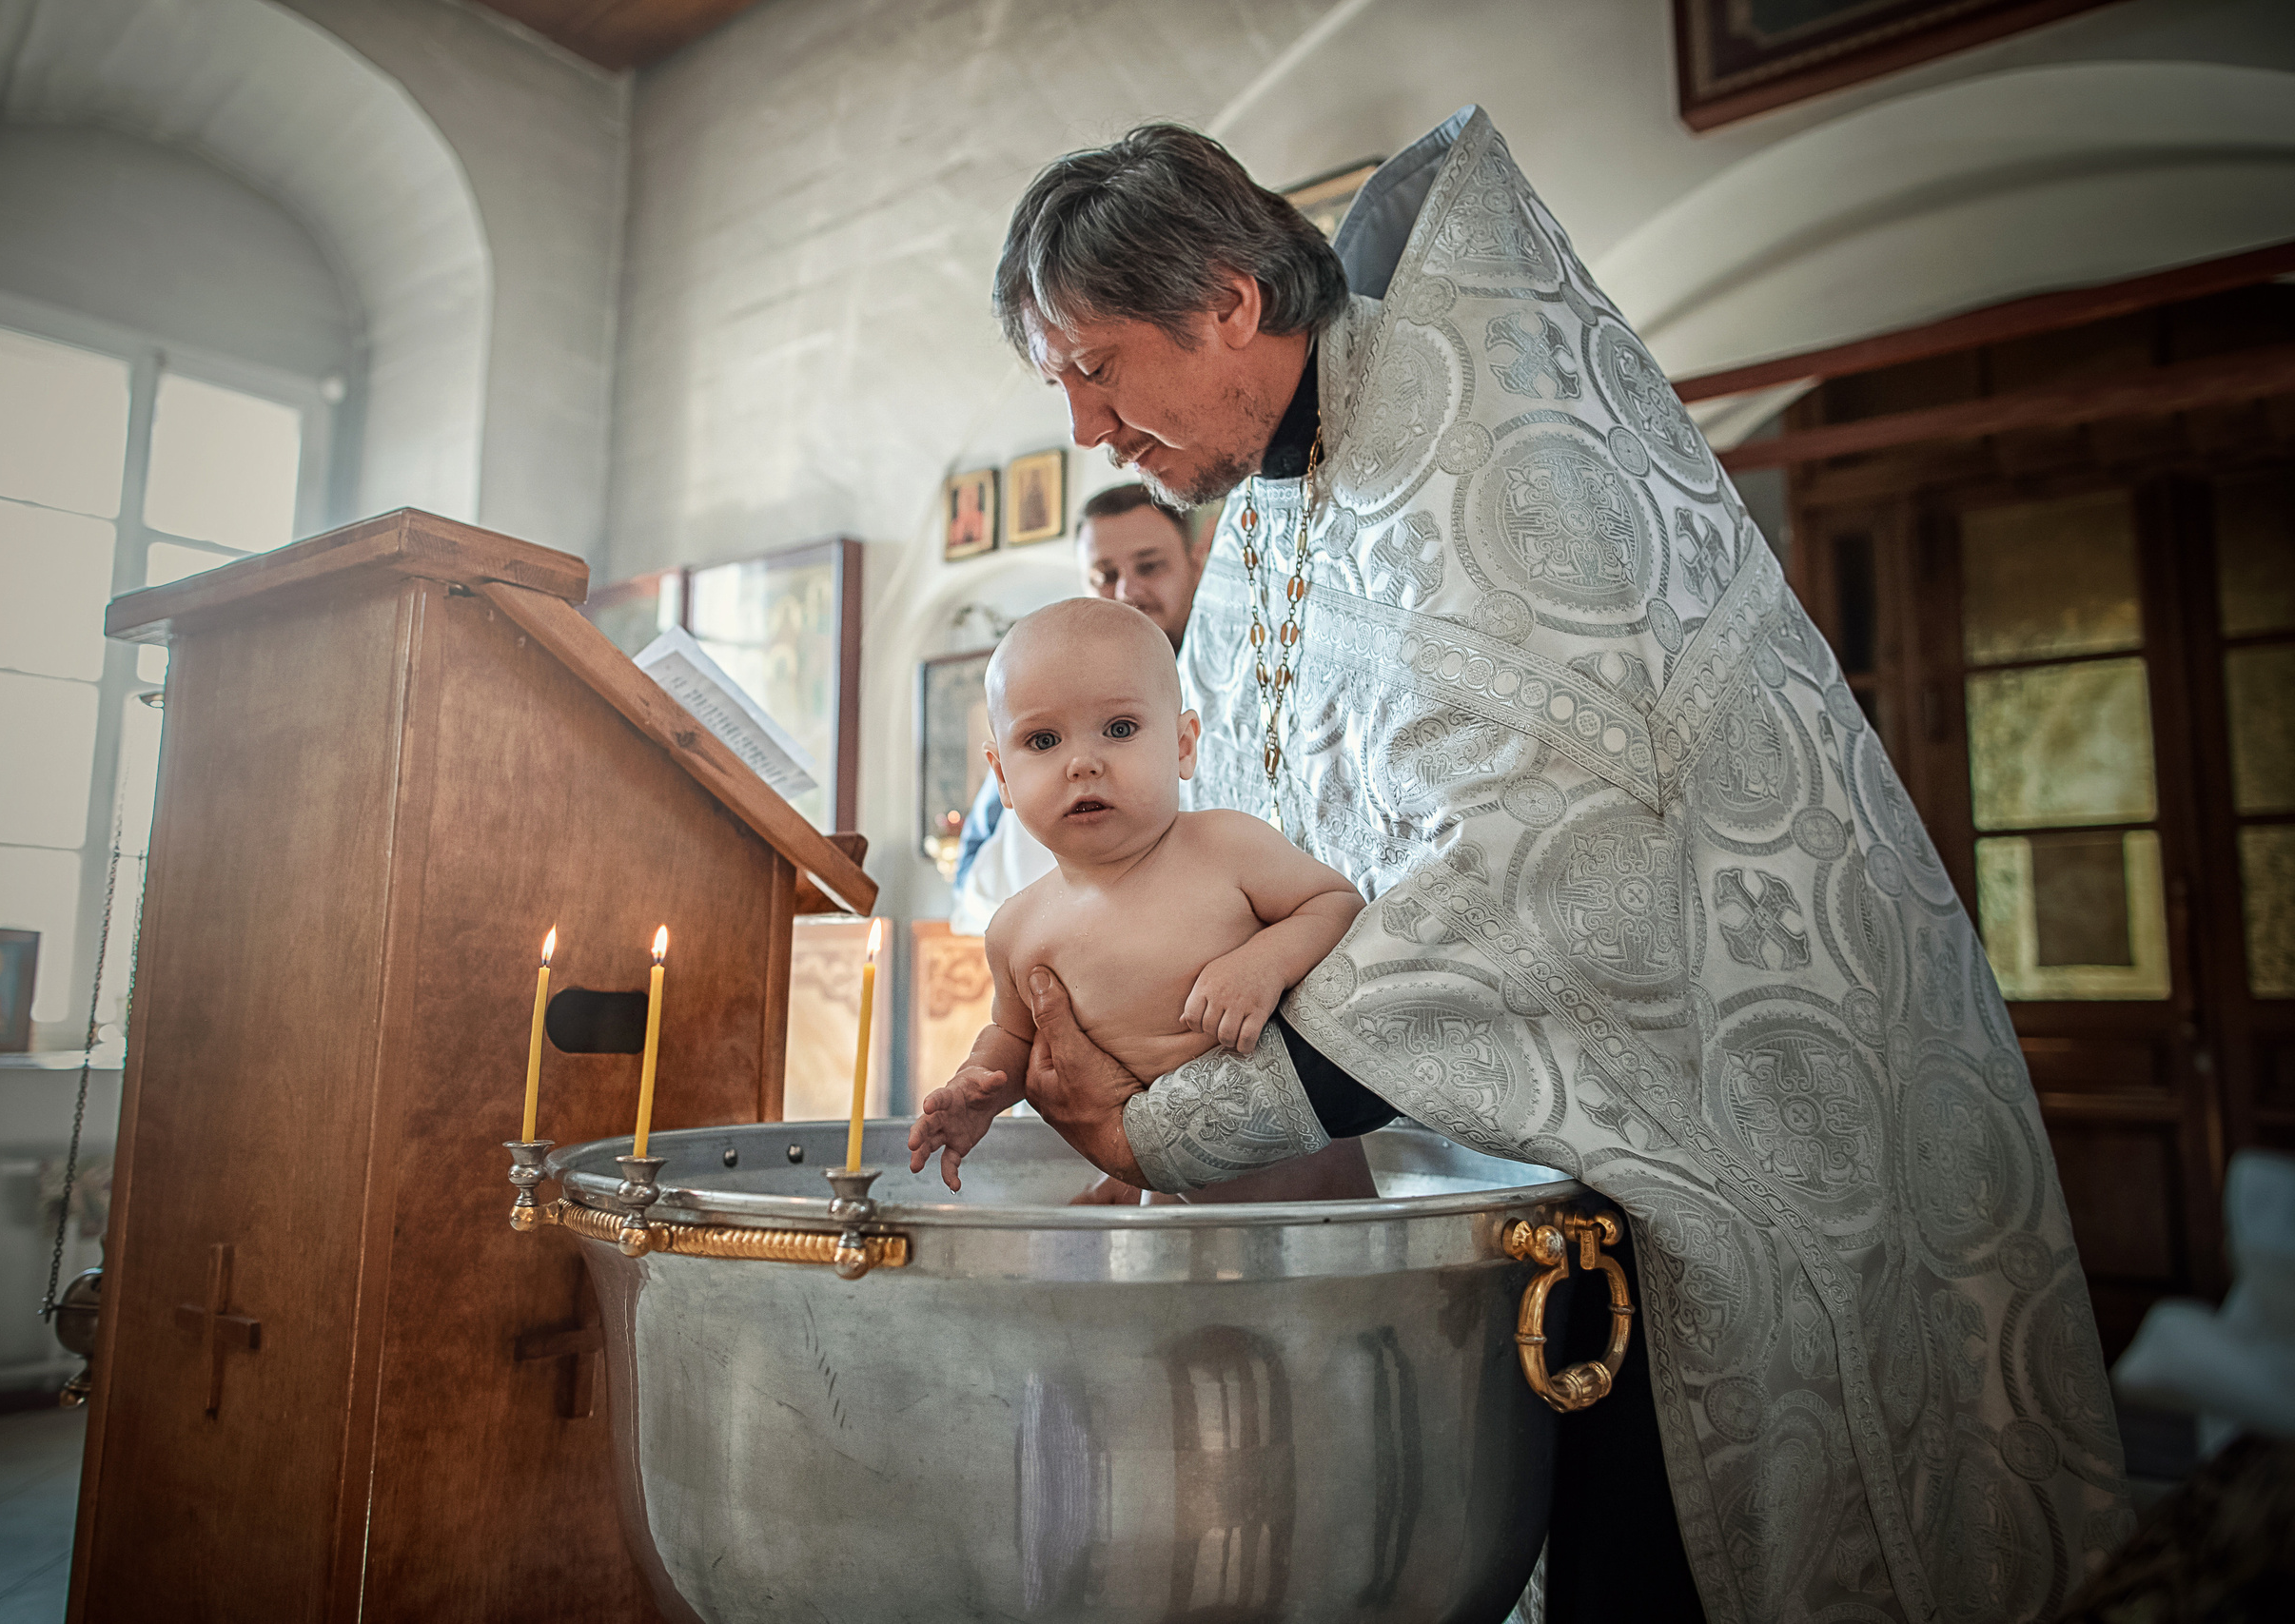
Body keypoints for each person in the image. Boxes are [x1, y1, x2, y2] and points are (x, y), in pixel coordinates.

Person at [989, 111, 2132, 1624]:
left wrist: (1184, 1124)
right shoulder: (1273, 511)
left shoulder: (1492, 445)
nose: (1082, 428)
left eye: (1093, 365)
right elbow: (1250, 849)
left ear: (1226, 305)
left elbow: (1539, 875)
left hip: (1715, 1144)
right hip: (1498, 1168)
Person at [910, 597, 1378, 1201]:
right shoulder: (1017, 929)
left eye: (1120, 729)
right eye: (1044, 740)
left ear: (1183, 745)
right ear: (1000, 775)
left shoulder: (1224, 847)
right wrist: (976, 1090)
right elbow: (1016, 1037)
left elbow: (1337, 906)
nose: (1083, 763)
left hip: (1318, 1199)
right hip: (1170, 1206)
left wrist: (1263, 962)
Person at [951, 483, 1206, 934]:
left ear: (1195, 564)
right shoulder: (1037, 706)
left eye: (1149, 566)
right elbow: (975, 884)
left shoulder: (1230, 687)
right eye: (1104, 575)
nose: (1128, 590)